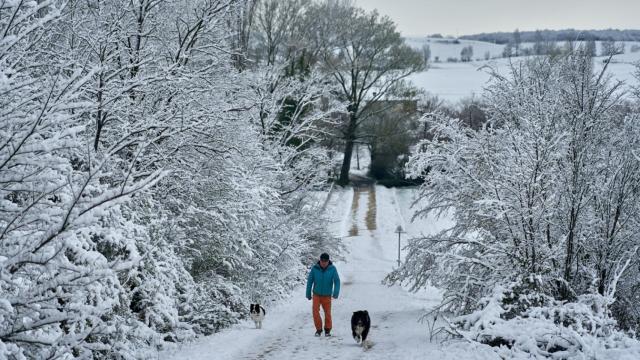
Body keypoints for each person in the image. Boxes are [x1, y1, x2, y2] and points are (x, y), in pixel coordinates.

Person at [306, 252, 341, 337]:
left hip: (327, 295)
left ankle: (327, 330)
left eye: (325, 261)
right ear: (320, 260)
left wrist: (335, 292)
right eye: (322, 261)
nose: (323, 263)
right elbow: (310, 281)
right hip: (316, 294)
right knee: (315, 312)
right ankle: (318, 330)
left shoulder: (332, 269)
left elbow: (337, 281)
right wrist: (308, 293)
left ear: (328, 261)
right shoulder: (315, 269)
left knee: (327, 313)